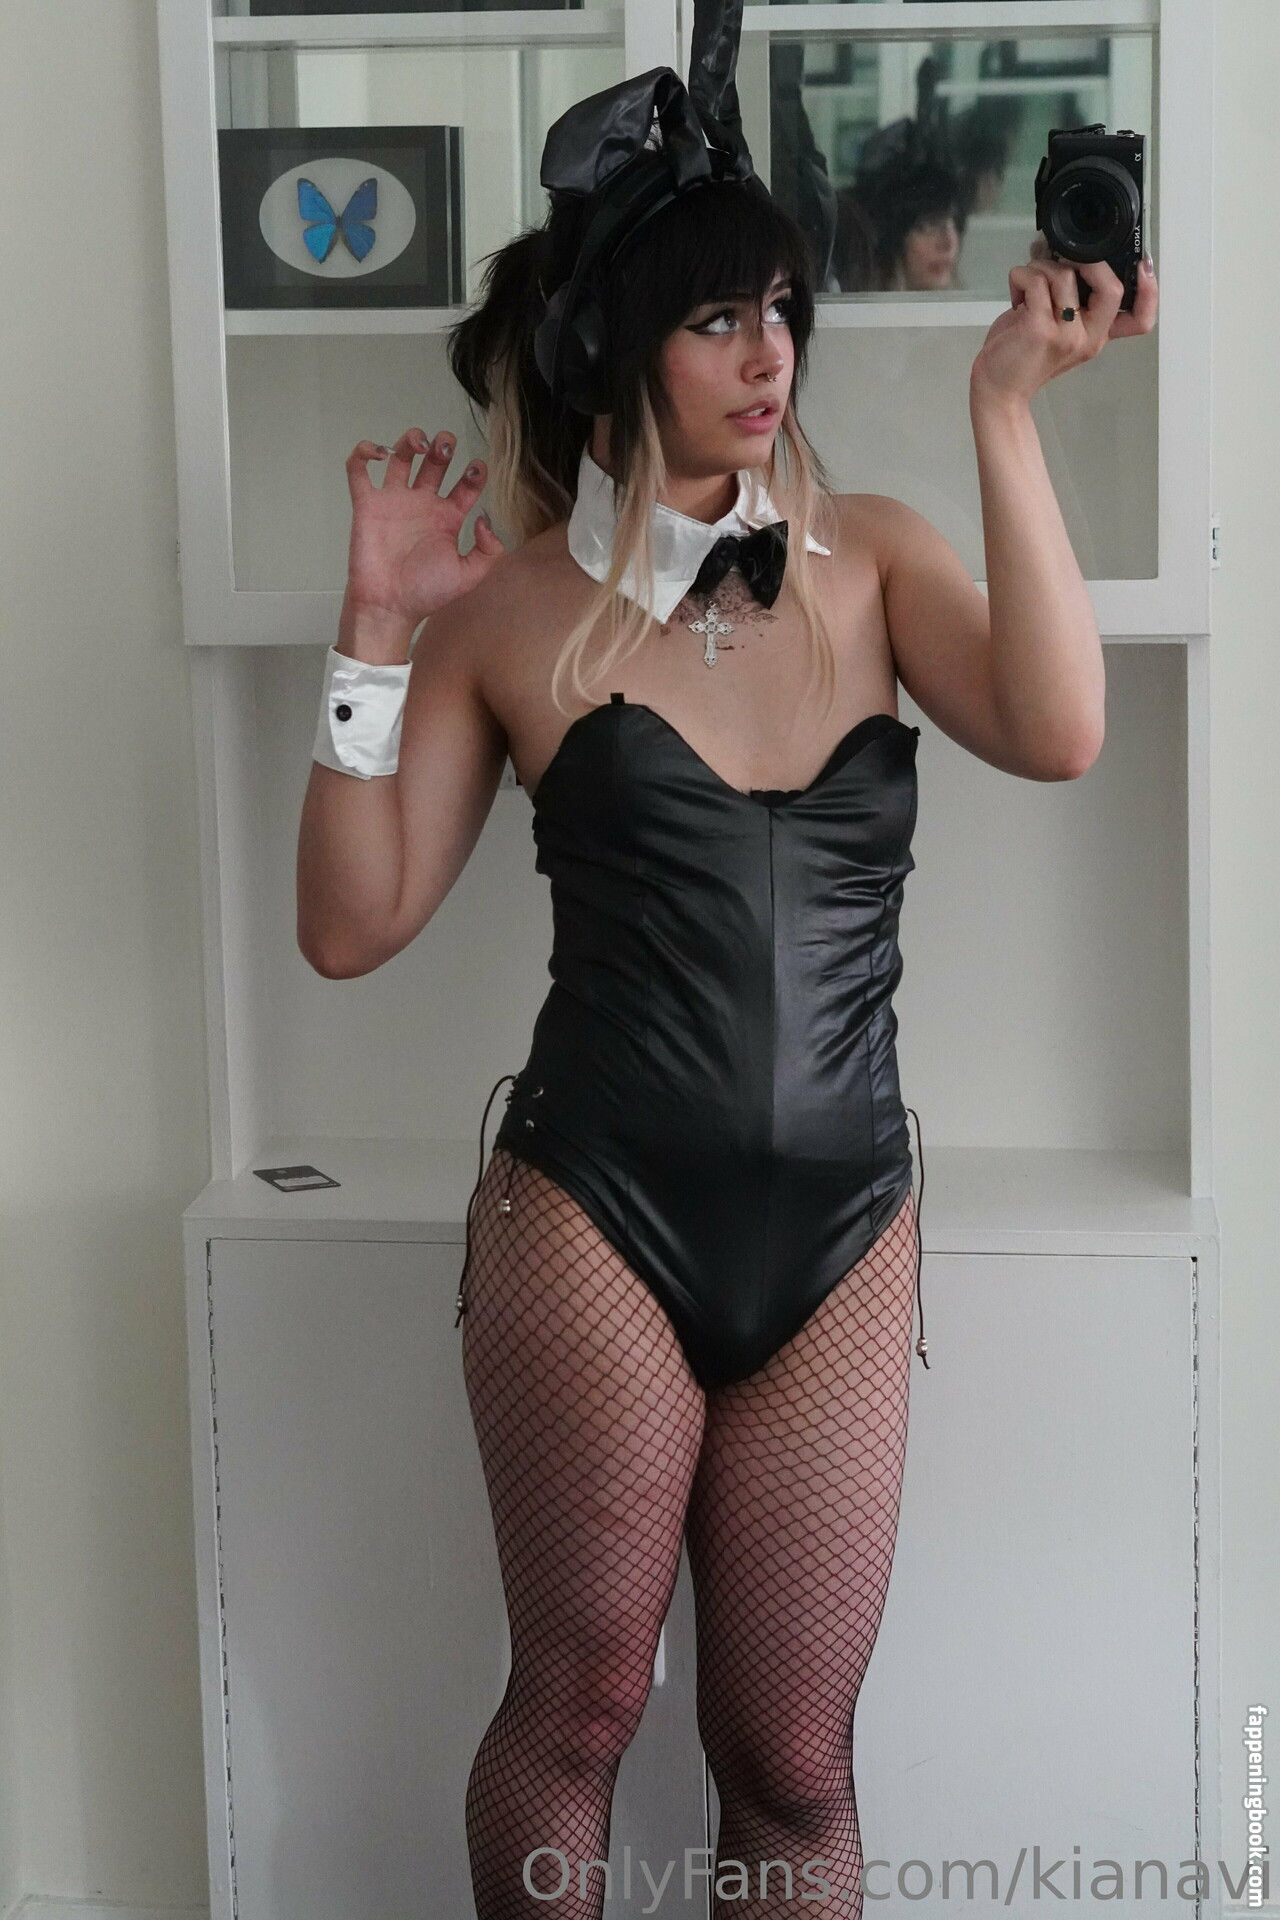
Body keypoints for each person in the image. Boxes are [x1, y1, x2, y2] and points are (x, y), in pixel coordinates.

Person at [295, 29, 1158, 1917]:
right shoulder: (513, 609)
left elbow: (1060, 728)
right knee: (583, 1705)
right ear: (618, 346)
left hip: (843, 1220)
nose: (768, 353)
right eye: (714, 319)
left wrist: (1010, 411)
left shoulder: (876, 563)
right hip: (591, 1209)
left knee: (792, 1758)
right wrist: (371, 632)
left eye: (778, 310)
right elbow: (350, 929)